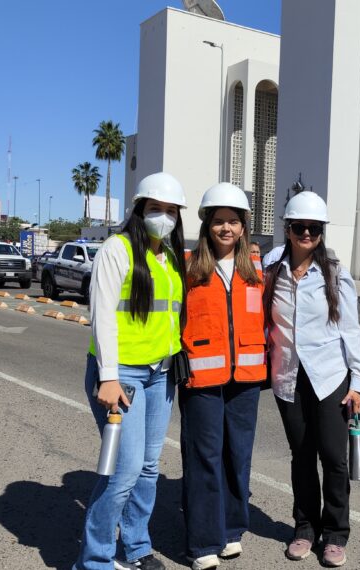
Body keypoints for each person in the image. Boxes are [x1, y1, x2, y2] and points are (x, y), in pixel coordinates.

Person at [75, 172, 187, 570]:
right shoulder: (116, 249)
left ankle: (137, 547)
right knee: (124, 471)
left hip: (160, 375)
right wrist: (108, 376)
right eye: (156, 208)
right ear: (139, 210)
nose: (164, 217)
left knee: (149, 468)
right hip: (122, 375)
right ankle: (95, 560)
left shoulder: (170, 257)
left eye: (171, 210)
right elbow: (103, 316)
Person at [263, 191, 360, 568]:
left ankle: (336, 533)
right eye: (299, 227)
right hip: (288, 376)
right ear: (287, 229)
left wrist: (358, 382)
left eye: (314, 227)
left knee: (333, 457)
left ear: (322, 231)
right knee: (302, 456)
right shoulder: (272, 270)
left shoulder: (335, 273)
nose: (306, 233)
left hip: (329, 376)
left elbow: (351, 329)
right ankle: (305, 528)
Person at [179, 183, 266, 570]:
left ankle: (231, 529)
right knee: (204, 458)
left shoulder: (256, 268)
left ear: (244, 226)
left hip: (246, 379)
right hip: (201, 380)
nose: (226, 228)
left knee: (238, 456)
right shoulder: (188, 265)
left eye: (233, 221)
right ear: (206, 225)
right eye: (218, 221)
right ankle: (202, 543)